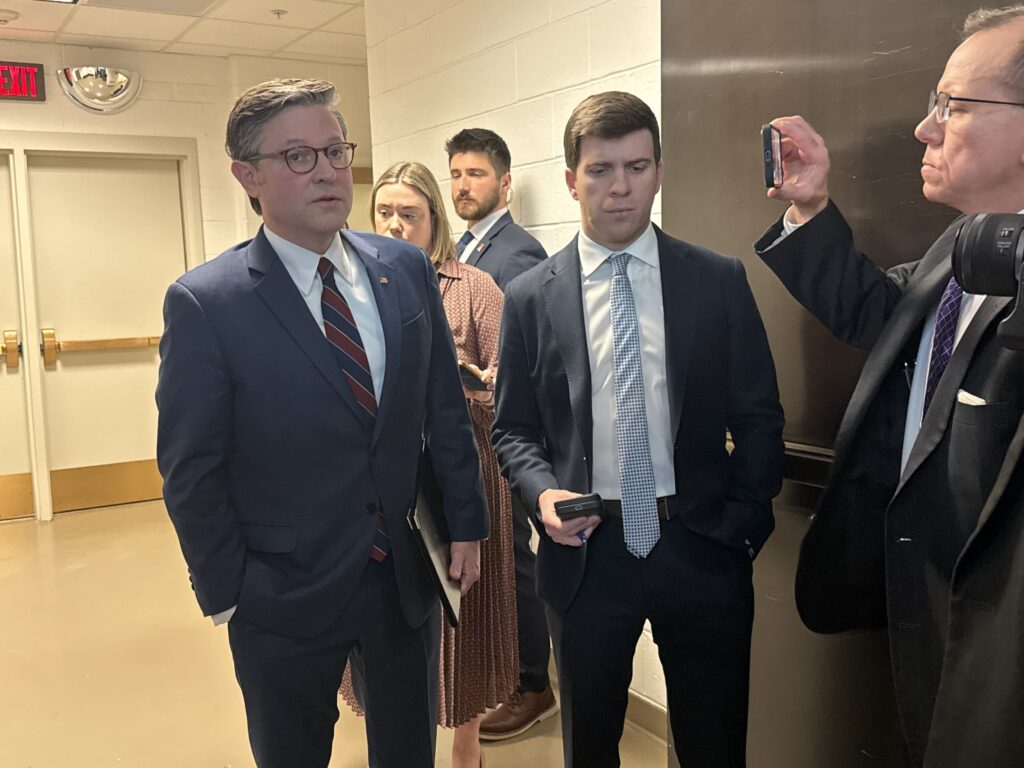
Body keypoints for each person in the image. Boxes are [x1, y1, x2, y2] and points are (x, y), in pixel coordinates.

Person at [156, 78, 488, 768]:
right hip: (281, 590)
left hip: (404, 579)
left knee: (409, 753)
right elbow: (192, 469)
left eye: (336, 151)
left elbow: (443, 409)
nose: (328, 171)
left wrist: (466, 523)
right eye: (298, 156)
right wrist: (229, 593)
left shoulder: (403, 268)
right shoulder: (208, 303)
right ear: (248, 176)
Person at [754, 8, 1024, 768]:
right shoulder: (962, 245)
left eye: (953, 106)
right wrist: (810, 205)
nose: (924, 129)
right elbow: (881, 313)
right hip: (920, 591)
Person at [492, 91, 785, 768]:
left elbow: (758, 414)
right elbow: (513, 430)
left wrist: (744, 520)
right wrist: (542, 495)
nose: (620, 187)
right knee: (590, 748)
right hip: (587, 554)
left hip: (701, 543)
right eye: (600, 170)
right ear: (572, 180)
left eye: (637, 166)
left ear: (659, 171)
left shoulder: (716, 280)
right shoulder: (531, 296)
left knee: (714, 747)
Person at [338, 160, 518, 768]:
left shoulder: (474, 288)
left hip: (461, 476)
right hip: (385, 486)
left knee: (465, 618)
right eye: (384, 212)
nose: (394, 225)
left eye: (409, 214)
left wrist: (477, 385)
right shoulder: (354, 287)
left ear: (434, 220)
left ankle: (467, 747)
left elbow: (510, 379)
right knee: (389, 616)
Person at [445, 128, 556, 740]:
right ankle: (502, 675)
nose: (463, 186)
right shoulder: (462, 249)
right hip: (469, 438)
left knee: (515, 560)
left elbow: (526, 359)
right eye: (456, 174)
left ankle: (533, 685)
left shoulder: (516, 255)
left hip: (502, 437)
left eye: (477, 174)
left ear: (505, 184)